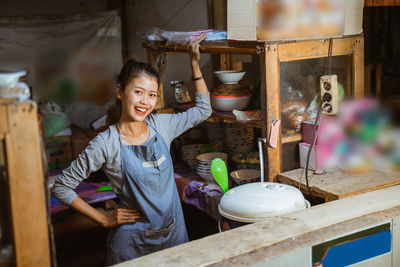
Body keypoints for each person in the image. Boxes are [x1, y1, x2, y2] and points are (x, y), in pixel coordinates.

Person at [52, 34, 211, 265]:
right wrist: (104, 219)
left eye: (152, 95)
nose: (145, 102)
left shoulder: (162, 126)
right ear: (120, 92)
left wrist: (194, 65)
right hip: (132, 246)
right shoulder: (105, 143)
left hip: (174, 238)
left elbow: (204, 110)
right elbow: (62, 187)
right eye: (138, 92)